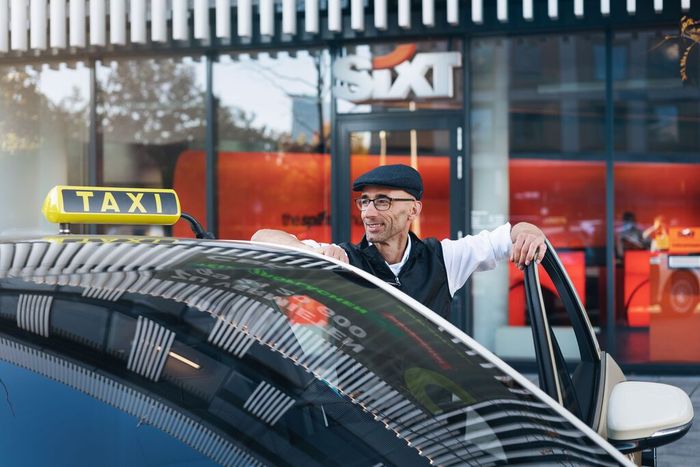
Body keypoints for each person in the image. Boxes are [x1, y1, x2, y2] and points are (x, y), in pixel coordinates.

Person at [251, 164, 546, 318]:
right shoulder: (341, 258)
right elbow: (260, 239)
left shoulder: (444, 258)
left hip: (434, 409)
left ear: (413, 209)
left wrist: (530, 233)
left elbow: (510, 235)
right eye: (364, 201)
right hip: (362, 414)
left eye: (382, 201)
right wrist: (306, 250)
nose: (368, 212)